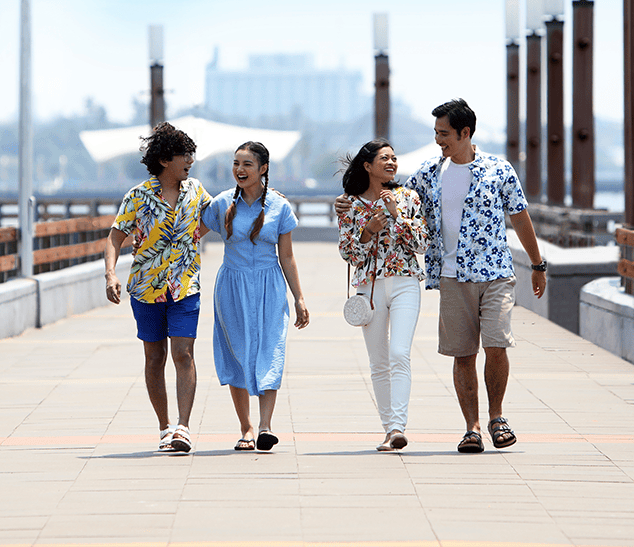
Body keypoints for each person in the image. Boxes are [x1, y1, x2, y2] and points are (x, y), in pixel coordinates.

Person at [336, 99, 546, 454]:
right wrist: (346, 200)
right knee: (462, 353)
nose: (438, 140)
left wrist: (538, 265)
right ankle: (473, 428)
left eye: (444, 133)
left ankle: (497, 417)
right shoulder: (430, 174)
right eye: (436, 133)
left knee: (496, 345)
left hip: (496, 272)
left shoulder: (499, 169)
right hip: (451, 275)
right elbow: (393, 194)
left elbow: (520, 216)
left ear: (465, 133)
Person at [104, 122, 211, 454]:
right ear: (166, 159)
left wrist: (265, 194)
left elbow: (218, 214)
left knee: (183, 353)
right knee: (154, 358)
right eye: (184, 155)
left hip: (185, 287)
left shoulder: (196, 190)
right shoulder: (138, 196)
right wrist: (110, 274)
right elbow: (115, 237)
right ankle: (164, 426)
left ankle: (183, 427)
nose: (190, 160)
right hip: (145, 290)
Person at [202, 141, 310, 452]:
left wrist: (299, 298)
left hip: (269, 286)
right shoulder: (222, 203)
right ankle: (246, 428)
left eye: (247, 164)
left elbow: (287, 257)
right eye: (236, 163)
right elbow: (193, 232)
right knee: (235, 351)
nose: (239, 169)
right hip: (231, 286)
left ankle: (265, 426)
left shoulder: (280, 207)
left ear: (263, 168)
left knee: (270, 350)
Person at [337, 139, 427, 452]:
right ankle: (390, 429)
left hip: (405, 282)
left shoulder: (408, 198)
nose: (391, 163)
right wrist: (368, 231)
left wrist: (396, 215)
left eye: (393, 158)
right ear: (367, 165)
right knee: (378, 361)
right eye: (384, 158)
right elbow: (349, 253)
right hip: (369, 288)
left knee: (400, 353)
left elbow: (420, 244)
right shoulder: (350, 204)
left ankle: (399, 425)